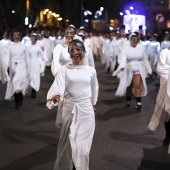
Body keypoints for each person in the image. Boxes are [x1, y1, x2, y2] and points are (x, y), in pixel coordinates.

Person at [46, 39, 99, 170]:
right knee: (69, 143)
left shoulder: (91, 70)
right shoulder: (64, 70)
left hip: (86, 111)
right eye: (72, 50)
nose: (75, 52)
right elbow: (58, 86)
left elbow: (94, 88)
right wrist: (56, 96)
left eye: (78, 49)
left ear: (84, 52)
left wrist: (93, 104)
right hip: (69, 110)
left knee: (82, 146)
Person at [113, 32, 152, 110]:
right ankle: (128, 100)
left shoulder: (141, 49)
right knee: (129, 86)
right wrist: (122, 66)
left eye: (136, 39)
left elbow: (145, 60)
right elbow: (123, 59)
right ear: (130, 40)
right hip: (129, 68)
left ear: (138, 40)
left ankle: (138, 102)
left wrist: (149, 70)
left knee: (137, 85)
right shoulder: (126, 48)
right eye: (133, 39)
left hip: (138, 69)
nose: (135, 41)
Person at [148, 47, 170, 146]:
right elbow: (160, 69)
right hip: (166, 85)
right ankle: (168, 135)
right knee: (167, 113)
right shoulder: (165, 52)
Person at [5, 30, 30, 109]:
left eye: (17, 35)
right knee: (14, 84)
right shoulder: (10, 46)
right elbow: (6, 57)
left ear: (19, 36)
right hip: (13, 66)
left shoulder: (24, 46)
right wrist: (5, 68)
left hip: (21, 65)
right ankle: (17, 101)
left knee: (18, 82)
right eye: (14, 35)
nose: (15, 36)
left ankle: (20, 99)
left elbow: (27, 58)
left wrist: (28, 69)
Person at [27, 33, 47, 98]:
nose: (32, 40)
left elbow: (42, 54)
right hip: (30, 64)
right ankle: (32, 89)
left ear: (35, 40)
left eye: (33, 39)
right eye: (31, 39)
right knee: (30, 77)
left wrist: (45, 58)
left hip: (36, 64)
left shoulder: (38, 48)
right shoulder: (28, 47)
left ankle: (34, 91)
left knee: (35, 77)